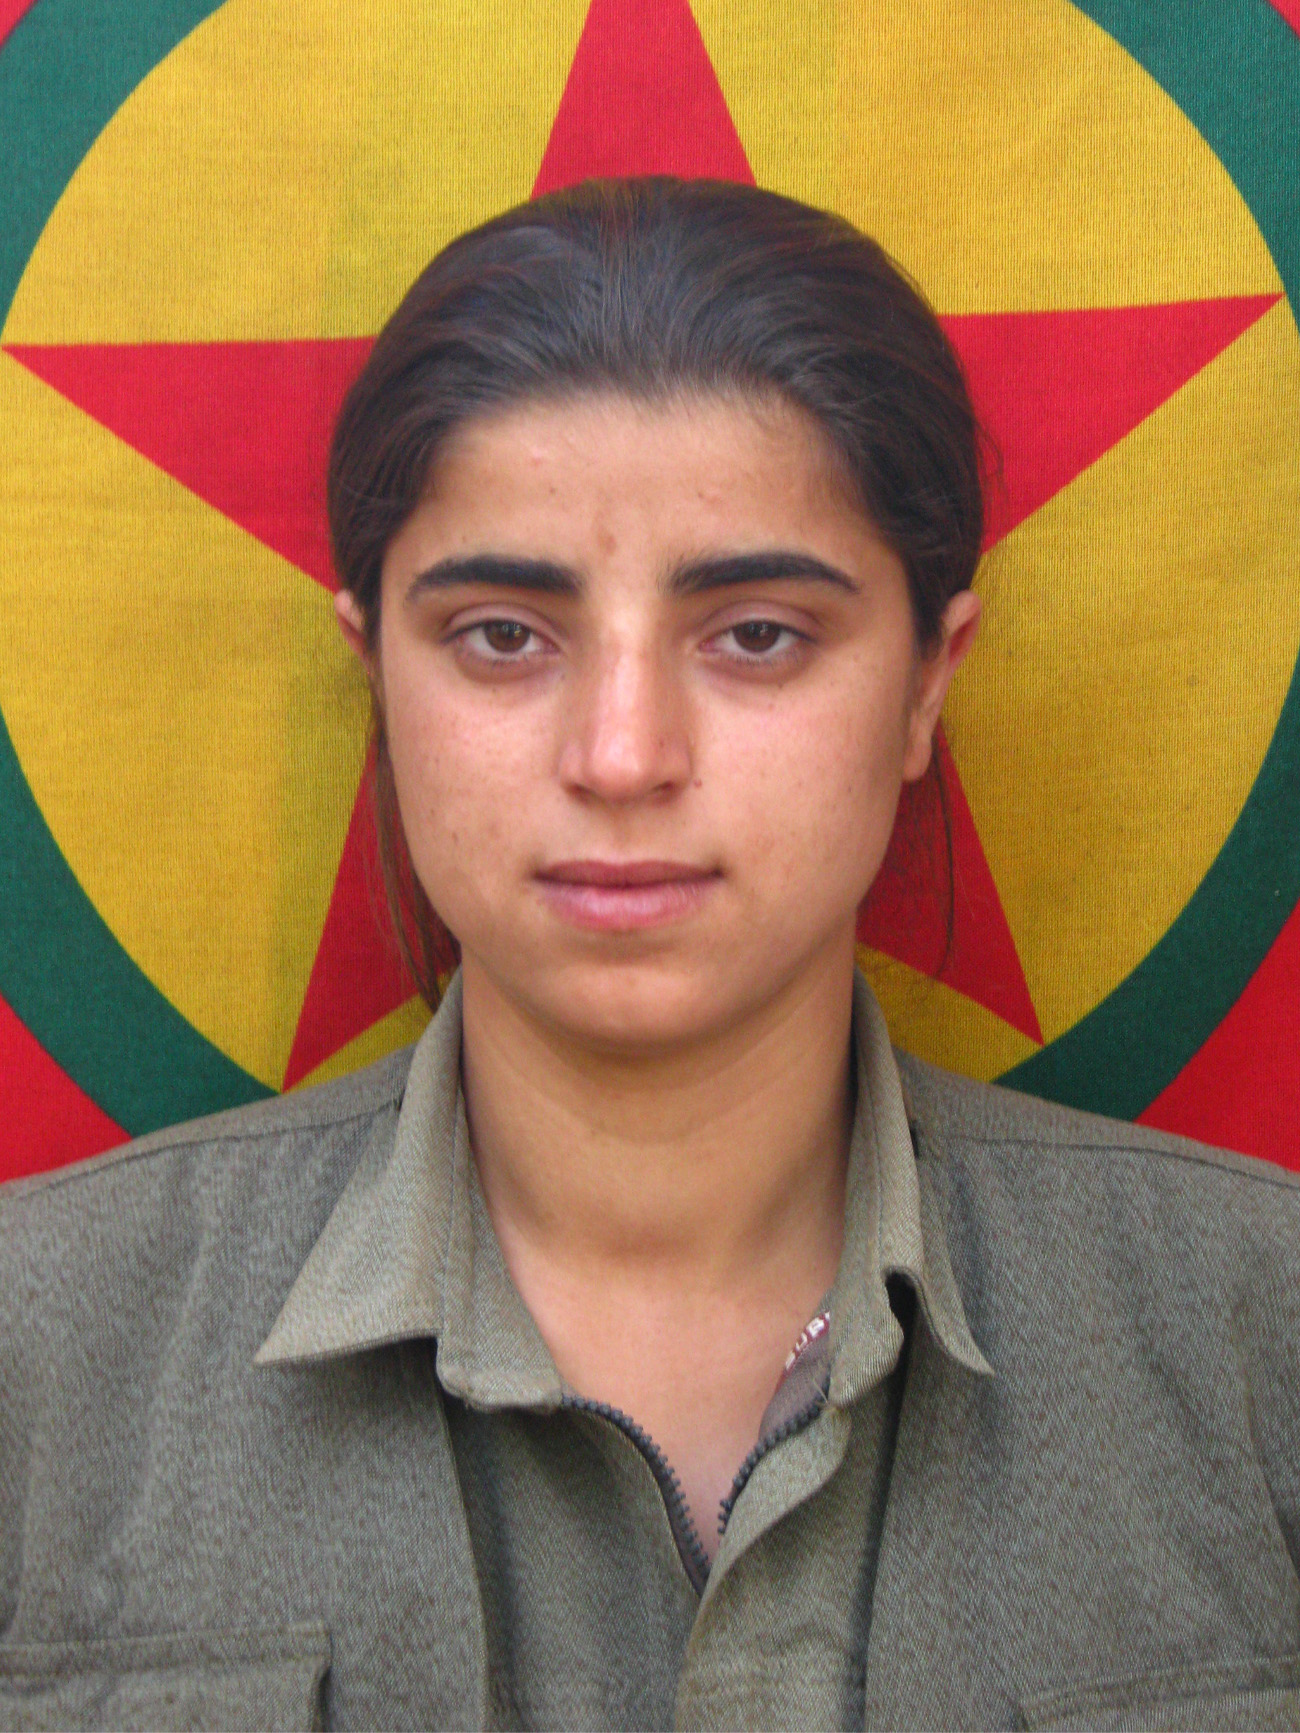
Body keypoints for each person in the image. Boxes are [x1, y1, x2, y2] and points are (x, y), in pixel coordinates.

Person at [2, 178, 1298, 1733]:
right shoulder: (41, 1355)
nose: (621, 754)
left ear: (924, 685)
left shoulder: (1257, 1334)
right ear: (377, 674)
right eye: (502, 634)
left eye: (757, 633)